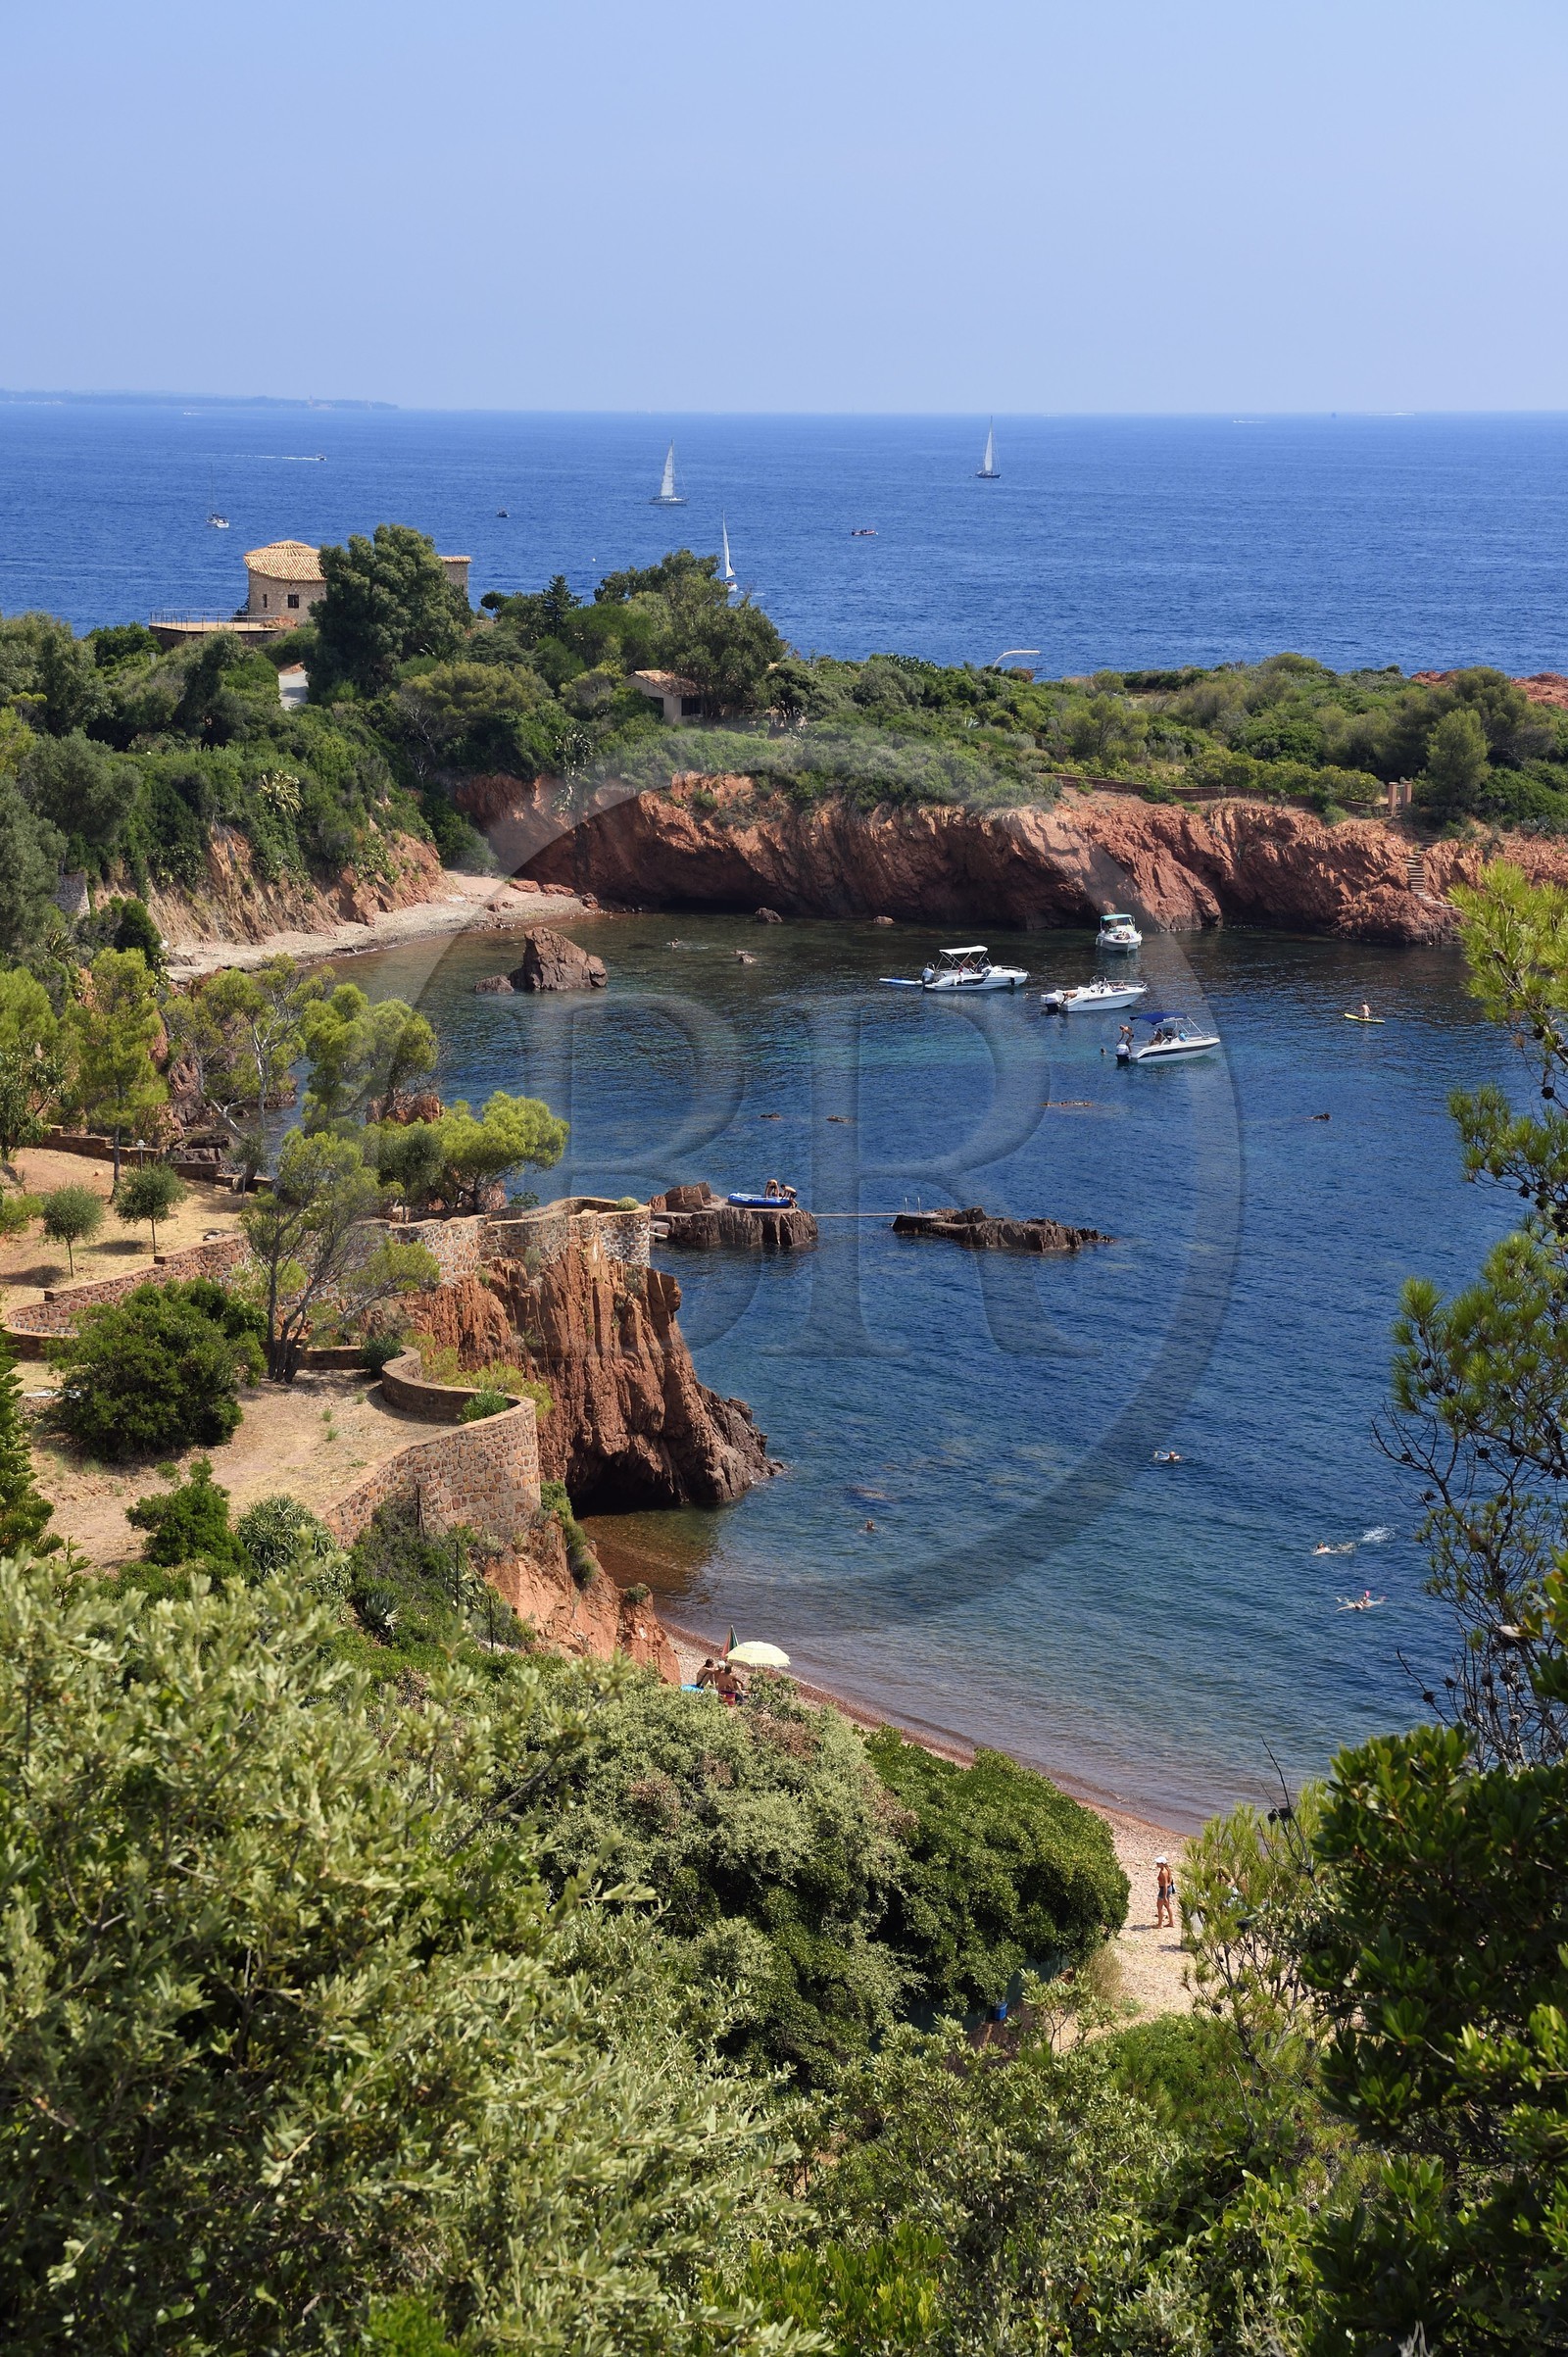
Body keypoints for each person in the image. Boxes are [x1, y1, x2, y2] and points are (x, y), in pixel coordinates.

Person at [1154, 1854, 1176, 1929]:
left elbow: (1165, 1884)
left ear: (1162, 1864)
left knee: (1160, 1907)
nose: (1157, 1864)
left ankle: (1160, 1924)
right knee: (1167, 1906)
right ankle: (1171, 1922)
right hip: (1168, 1889)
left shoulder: (1163, 1872)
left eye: (1158, 1863)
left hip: (1164, 1890)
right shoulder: (1167, 1870)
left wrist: (1164, 1896)